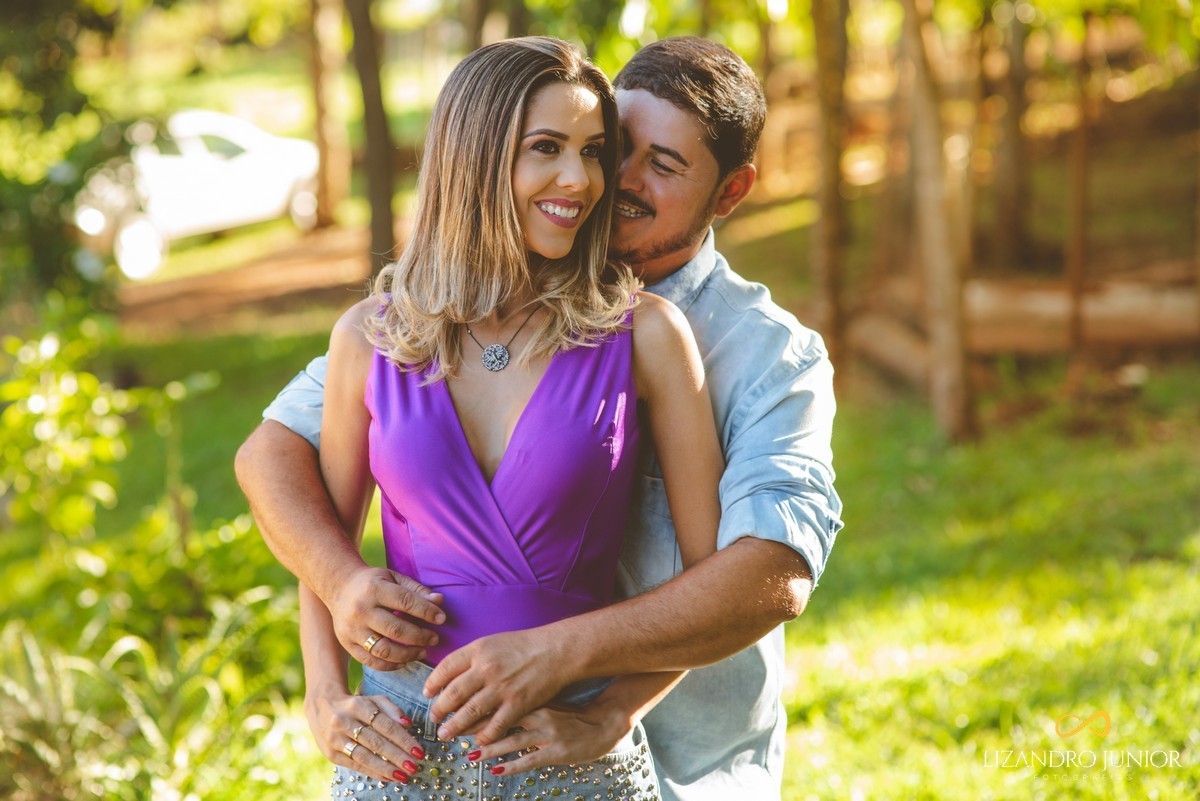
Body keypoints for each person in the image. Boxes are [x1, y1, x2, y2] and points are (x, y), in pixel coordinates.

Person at [237, 37, 843, 800]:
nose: (603, 180)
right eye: (611, 147)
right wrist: (329, 658)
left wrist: (600, 696)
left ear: (731, 192)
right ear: (479, 157)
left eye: (659, 164)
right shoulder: (394, 329)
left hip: (665, 758)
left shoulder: (739, 349)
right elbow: (280, 460)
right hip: (405, 744)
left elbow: (769, 573)